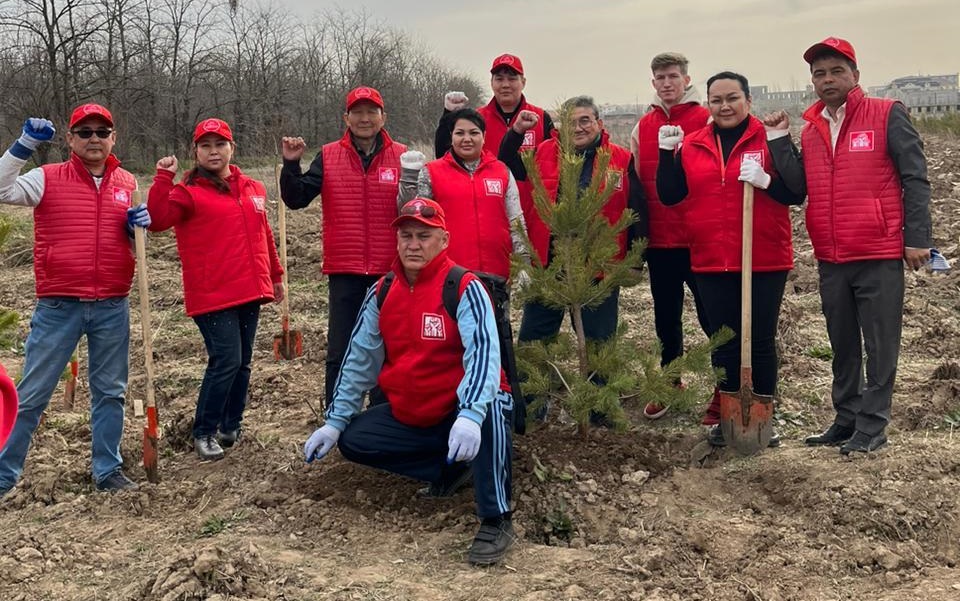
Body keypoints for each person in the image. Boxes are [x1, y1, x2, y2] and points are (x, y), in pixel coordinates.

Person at [303, 198, 515, 566]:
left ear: (444, 240)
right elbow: (359, 360)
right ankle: (451, 469)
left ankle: (495, 516)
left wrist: (470, 414)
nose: (413, 244)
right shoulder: (383, 292)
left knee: (493, 403)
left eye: (424, 236)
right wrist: (335, 421)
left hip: (463, 406)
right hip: (416, 409)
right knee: (356, 439)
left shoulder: (464, 288)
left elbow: (483, 353)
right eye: (406, 236)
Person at [766, 38, 931, 454]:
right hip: (832, 255)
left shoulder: (886, 114)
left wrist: (917, 239)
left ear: (855, 75)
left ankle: (873, 425)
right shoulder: (814, 127)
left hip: (876, 251)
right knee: (841, 342)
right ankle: (846, 417)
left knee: (879, 342)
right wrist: (779, 140)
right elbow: (800, 187)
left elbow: (915, 178)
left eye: (836, 71)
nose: (827, 80)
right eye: (819, 73)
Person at [0, 103, 147, 495]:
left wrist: (139, 231)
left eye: (102, 131)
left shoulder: (128, 183)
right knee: (31, 395)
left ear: (114, 137)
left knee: (110, 393)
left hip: (112, 305)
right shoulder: (47, 178)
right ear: (70, 139)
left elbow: (137, 246)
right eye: (85, 132)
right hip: (59, 306)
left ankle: (107, 471)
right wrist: (24, 145)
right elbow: (1, 189)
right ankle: (3, 474)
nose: (94, 139)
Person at [656, 72, 806, 447]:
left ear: (748, 101)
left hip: (764, 257)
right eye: (717, 99)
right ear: (708, 103)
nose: (724, 106)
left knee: (758, 342)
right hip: (711, 257)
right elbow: (671, 195)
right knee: (724, 343)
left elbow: (796, 191)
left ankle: (760, 423)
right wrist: (665, 156)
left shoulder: (768, 137)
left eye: (732, 98)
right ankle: (729, 419)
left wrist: (767, 181)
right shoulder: (693, 145)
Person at [148, 118, 283, 461]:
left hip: (251, 288)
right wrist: (163, 178)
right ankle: (204, 431)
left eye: (219, 144)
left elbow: (264, 235)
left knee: (243, 362)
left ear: (231, 148)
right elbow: (159, 219)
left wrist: (277, 275)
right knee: (226, 359)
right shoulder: (188, 192)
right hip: (212, 292)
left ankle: (230, 425)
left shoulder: (253, 188)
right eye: (205, 146)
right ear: (195, 151)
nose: (213, 151)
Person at [399, 108, 528, 430]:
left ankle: (497, 416)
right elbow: (413, 215)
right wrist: (408, 178)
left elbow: (516, 222)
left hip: (496, 278)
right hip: (449, 279)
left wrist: (524, 262)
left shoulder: (501, 172)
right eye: (460, 133)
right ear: (451, 137)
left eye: (473, 132)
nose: (466, 138)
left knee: (494, 346)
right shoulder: (433, 172)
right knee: (452, 347)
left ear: (484, 137)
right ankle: (452, 416)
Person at [279, 87, 406, 407]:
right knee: (342, 347)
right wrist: (292, 166)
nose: (365, 119)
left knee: (389, 344)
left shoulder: (403, 156)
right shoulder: (329, 155)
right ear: (346, 118)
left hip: (389, 270)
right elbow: (296, 198)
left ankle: (382, 413)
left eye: (371, 112)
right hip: (344, 268)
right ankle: (337, 412)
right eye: (358, 112)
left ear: (383, 117)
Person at [500, 96, 645, 369]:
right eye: (570, 123)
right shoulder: (541, 154)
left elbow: (636, 209)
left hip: (598, 268)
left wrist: (635, 260)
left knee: (599, 344)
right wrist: (517, 131)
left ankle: (598, 408)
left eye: (585, 121)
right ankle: (533, 406)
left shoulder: (621, 159)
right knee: (535, 341)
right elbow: (505, 163)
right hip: (548, 265)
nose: (578, 128)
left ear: (599, 124)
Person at [629, 52, 713, 423]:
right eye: (660, 77)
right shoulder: (642, 126)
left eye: (673, 76)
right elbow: (634, 181)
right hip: (661, 242)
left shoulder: (705, 118)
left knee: (713, 316)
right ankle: (670, 381)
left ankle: (727, 385)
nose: (666, 83)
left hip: (698, 238)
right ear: (653, 83)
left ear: (686, 79)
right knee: (666, 318)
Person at [435, 53, 553, 159]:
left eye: (512, 79)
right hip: (487, 183)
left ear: (523, 82)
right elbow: (445, 157)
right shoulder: (476, 119)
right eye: (499, 79)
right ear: (491, 83)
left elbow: (555, 163)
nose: (505, 85)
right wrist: (449, 114)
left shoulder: (541, 118)